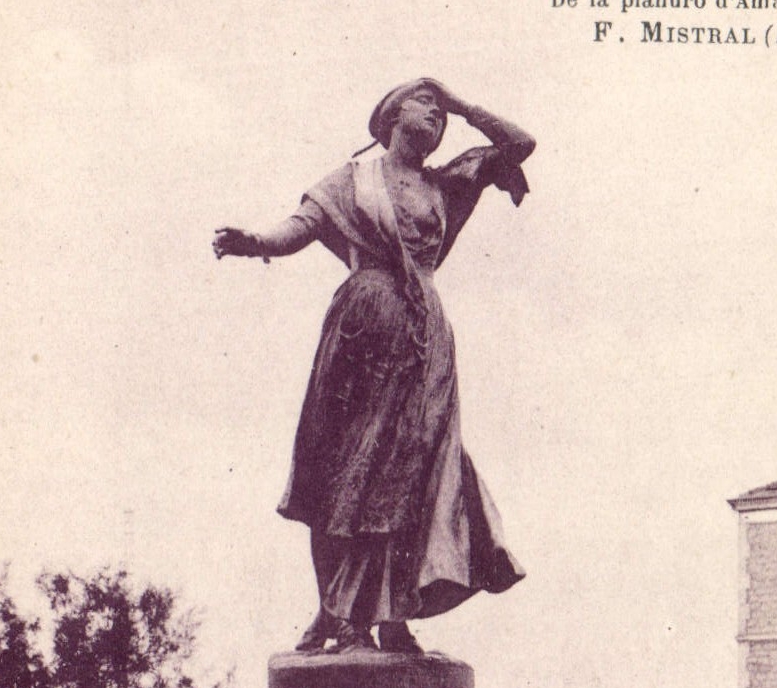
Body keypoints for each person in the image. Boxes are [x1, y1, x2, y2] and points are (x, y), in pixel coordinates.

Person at [213, 79, 535, 655]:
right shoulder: (352, 180)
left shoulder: (448, 187)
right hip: (362, 330)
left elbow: (519, 145)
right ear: (391, 115)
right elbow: (298, 229)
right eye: (426, 104)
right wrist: (251, 240)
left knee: (413, 473)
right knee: (345, 471)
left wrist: (460, 103)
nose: (437, 117)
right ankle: (345, 616)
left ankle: (394, 619)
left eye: (443, 113)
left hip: (424, 339)